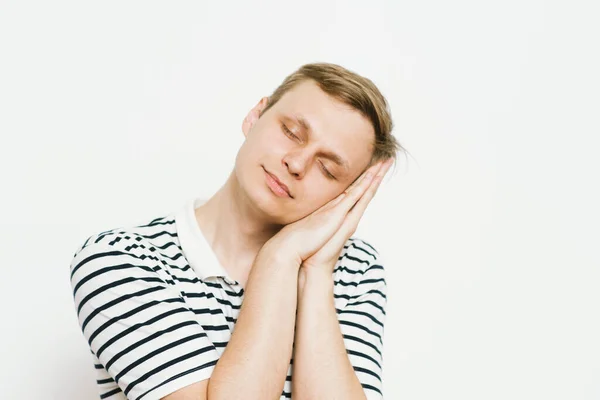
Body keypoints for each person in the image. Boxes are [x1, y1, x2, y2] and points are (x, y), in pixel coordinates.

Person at [69, 62, 403, 400]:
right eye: (291, 132)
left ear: (348, 195)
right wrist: (279, 258)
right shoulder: (121, 260)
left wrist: (315, 271)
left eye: (327, 168)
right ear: (255, 115)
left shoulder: (353, 268)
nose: (297, 163)